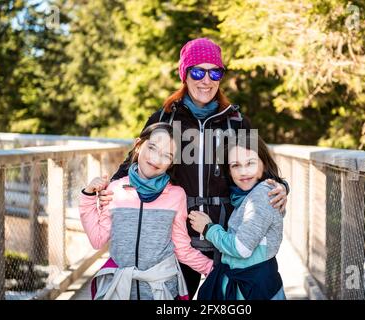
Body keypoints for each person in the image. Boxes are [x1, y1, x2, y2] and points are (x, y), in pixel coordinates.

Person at [97, 37, 290, 298]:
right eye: (198, 71)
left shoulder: (234, 121)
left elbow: (259, 165)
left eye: (215, 72)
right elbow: (137, 159)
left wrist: (281, 186)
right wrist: (107, 187)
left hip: (225, 234)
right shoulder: (166, 116)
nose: (206, 80)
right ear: (185, 74)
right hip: (176, 237)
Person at [79, 123, 213, 300]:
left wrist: (214, 269)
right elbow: (97, 240)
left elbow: (181, 248)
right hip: (119, 289)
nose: (157, 159)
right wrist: (88, 196)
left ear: (172, 163)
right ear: (138, 145)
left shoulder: (176, 195)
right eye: (152, 148)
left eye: (167, 155)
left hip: (160, 291)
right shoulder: (115, 189)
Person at [188, 135, 286, 300]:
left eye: (250, 163)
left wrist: (208, 229)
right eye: (235, 165)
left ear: (264, 163)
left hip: (255, 290)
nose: (243, 172)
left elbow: (242, 248)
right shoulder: (243, 195)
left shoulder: (262, 195)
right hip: (246, 286)